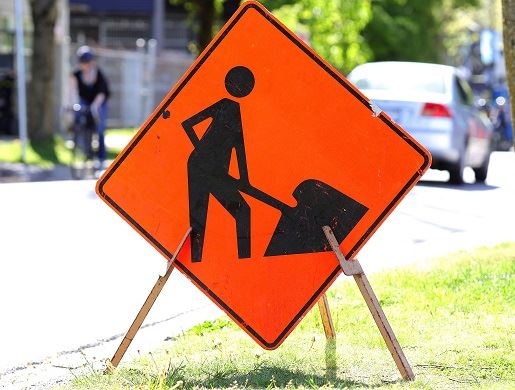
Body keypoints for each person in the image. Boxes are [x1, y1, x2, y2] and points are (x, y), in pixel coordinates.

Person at [182, 66, 255, 262]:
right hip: (200, 166)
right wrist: (202, 152)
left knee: (243, 211)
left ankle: (245, 262)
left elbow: (239, 149)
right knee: (199, 218)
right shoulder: (224, 105)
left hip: (214, 171)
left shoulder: (235, 111)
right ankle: (198, 262)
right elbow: (188, 124)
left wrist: (244, 180)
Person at [70, 45, 110, 167]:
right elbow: (71, 92)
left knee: (100, 128)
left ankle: (101, 158)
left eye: (87, 62)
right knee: (79, 115)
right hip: (85, 101)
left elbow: (102, 93)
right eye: (83, 62)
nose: (85, 65)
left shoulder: (98, 74)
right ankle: (82, 145)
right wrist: (70, 105)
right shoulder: (76, 75)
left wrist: (94, 107)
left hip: (99, 101)